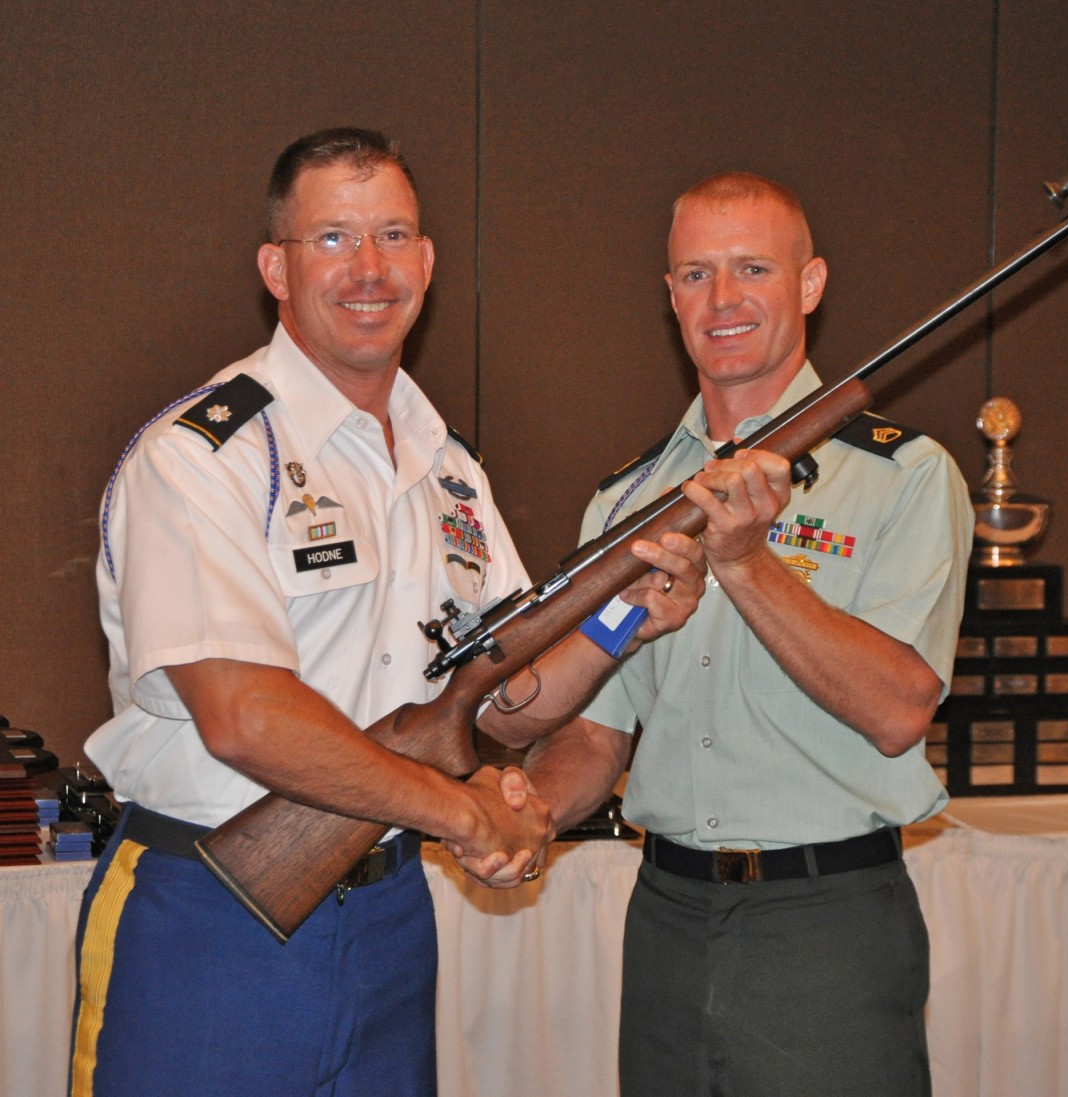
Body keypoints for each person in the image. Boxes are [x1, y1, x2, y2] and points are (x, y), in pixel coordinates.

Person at [70, 127, 706, 1097]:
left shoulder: (447, 467)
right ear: (275, 267)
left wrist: (624, 620)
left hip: (388, 917)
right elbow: (245, 715)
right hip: (214, 911)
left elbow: (503, 702)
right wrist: (461, 808)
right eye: (332, 238)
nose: (368, 268)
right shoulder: (205, 453)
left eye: (394, 235)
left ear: (429, 261)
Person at [470, 172, 973, 1096]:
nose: (724, 299)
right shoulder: (624, 501)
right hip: (666, 916)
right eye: (695, 274)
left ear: (810, 284)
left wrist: (745, 563)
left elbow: (901, 708)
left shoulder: (904, 477)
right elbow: (594, 731)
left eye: (752, 268)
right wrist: (529, 812)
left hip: (825, 922)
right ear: (670, 297)